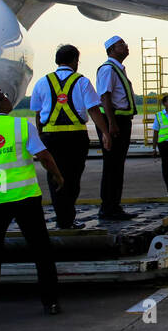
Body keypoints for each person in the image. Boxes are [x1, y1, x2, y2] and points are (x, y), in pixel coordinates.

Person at [0, 84, 65, 318]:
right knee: (41, 251)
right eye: (4, 96)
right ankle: (50, 302)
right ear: (0, 103)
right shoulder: (22, 126)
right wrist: (58, 175)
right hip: (25, 197)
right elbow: (44, 156)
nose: (8, 98)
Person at [30, 44, 110, 229]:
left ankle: (62, 218)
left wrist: (41, 136)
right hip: (76, 137)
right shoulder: (82, 82)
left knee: (55, 178)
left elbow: (38, 112)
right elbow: (94, 110)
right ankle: (67, 217)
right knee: (73, 178)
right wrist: (105, 133)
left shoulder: (42, 82)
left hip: (51, 137)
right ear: (75, 60)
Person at [96, 35, 138, 220]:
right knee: (112, 166)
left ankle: (113, 205)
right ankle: (108, 207)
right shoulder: (108, 69)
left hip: (121, 121)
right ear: (111, 49)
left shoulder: (117, 69)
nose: (126, 47)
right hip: (115, 121)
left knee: (117, 166)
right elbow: (105, 97)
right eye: (122, 44)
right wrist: (111, 124)